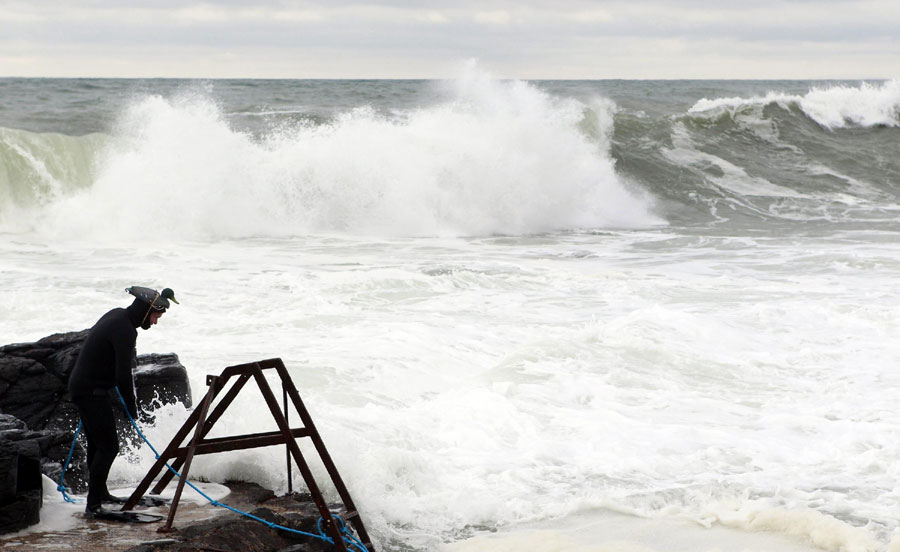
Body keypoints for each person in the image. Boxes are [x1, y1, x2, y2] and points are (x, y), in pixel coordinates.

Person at [68, 286, 178, 518]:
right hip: (91, 391)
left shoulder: (117, 315)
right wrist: (132, 406)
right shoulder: (126, 330)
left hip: (85, 387)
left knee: (99, 445)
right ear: (147, 309)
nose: (156, 322)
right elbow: (122, 375)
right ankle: (93, 506)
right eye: (156, 316)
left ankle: (101, 494)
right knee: (109, 447)